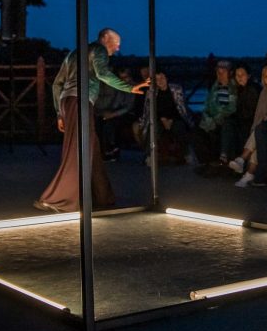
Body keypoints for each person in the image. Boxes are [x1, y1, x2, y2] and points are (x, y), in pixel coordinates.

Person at [34, 28, 147, 212]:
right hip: (80, 101)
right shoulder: (99, 49)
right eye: (116, 43)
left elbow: (57, 84)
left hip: (68, 101)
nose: (118, 48)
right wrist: (129, 87)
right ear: (105, 38)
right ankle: (56, 198)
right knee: (78, 149)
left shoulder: (74, 54)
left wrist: (60, 113)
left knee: (91, 146)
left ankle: (102, 196)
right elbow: (102, 74)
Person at [230, 64, 267, 187]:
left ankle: (243, 160)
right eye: (265, 76)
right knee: (258, 134)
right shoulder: (265, 92)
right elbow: (259, 113)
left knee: (259, 132)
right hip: (263, 125)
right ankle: (249, 173)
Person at [133, 70, 193, 166]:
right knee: (153, 129)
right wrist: (162, 119)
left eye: (161, 78)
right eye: (157, 79)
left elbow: (181, 107)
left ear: (166, 78)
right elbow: (148, 110)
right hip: (159, 119)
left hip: (175, 118)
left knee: (180, 127)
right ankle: (149, 156)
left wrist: (171, 120)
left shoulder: (176, 89)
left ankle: (186, 154)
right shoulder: (151, 92)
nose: (160, 81)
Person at [193, 60, 237, 165]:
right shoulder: (214, 87)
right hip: (212, 118)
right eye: (218, 72)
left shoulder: (234, 87)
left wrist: (216, 118)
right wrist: (206, 116)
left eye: (223, 72)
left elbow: (232, 107)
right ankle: (205, 161)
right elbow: (207, 105)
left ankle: (223, 157)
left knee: (225, 125)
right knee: (197, 129)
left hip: (226, 118)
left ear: (230, 73)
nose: (220, 74)